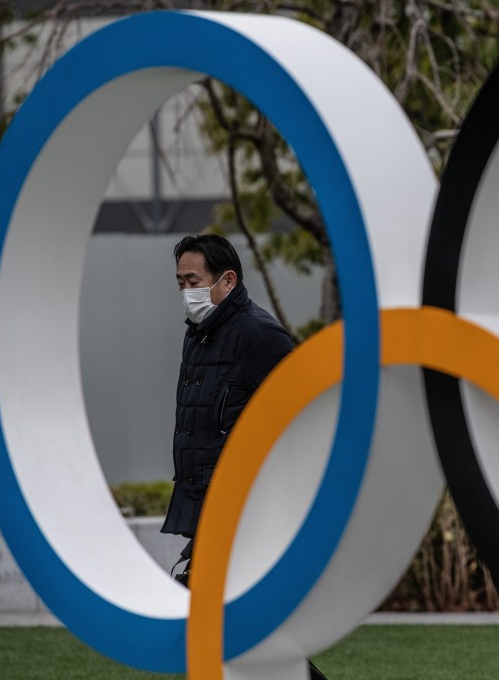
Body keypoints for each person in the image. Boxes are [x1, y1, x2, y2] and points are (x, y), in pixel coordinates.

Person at [160, 234, 328, 680]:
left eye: (192, 280)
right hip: (204, 503)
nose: (184, 291)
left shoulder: (261, 336)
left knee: (223, 623)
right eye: (179, 282)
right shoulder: (197, 337)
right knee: (228, 630)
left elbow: (299, 423)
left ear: (227, 280)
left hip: (247, 510)